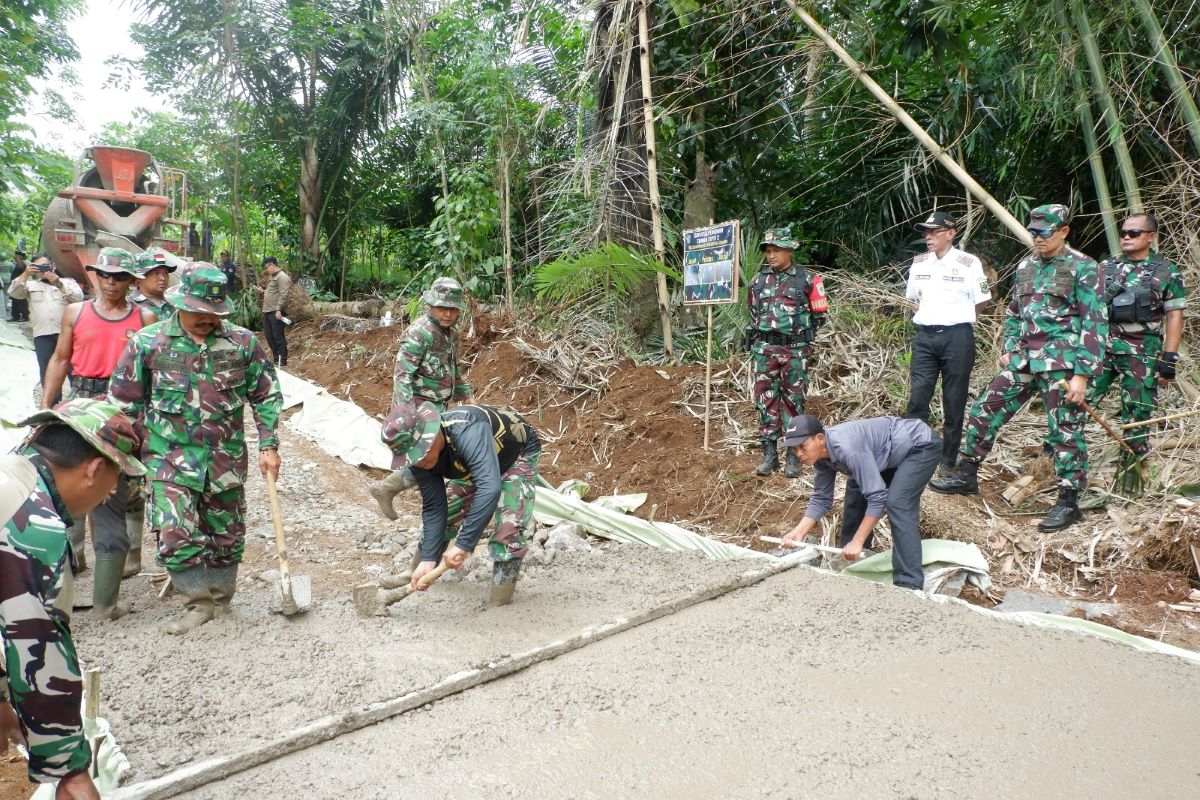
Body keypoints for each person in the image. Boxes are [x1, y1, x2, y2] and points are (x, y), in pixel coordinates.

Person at [109, 263, 282, 634]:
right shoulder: (148, 343)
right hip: (168, 458)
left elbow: (266, 394)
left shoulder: (241, 343)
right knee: (173, 531)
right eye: (199, 312)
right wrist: (128, 458)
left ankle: (221, 600)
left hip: (226, 457)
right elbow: (124, 404)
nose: (207, 319)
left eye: (214, 313)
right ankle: (197, 603)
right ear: (180, 303)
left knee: (227, 535)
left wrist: (269, 442)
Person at [931, 204, 1108, 531]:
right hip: (1026, 358)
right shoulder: (1026, 265)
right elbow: (1014, 313)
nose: (1038, 238)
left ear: (1064, 231)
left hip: (1063, 364)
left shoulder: (1084, 267)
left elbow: (1095, 323)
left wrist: (1082, 375)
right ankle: (967, 475)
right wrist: (1009, 348)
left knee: (1064, 430)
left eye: (1045, 232)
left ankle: (1069, 502)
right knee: (986, 408)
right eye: (1033, 232)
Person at [0, 398, 144, 798]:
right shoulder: (35, 530)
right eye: (115, 480)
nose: (112, 491)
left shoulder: (10, 477)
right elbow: (37, 652)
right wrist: (69, 771)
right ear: (94, 469)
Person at [41, 248, 155, 618]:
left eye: (119, 276)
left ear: (131, 280)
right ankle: (71, 565)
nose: (110, 283)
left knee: (111, 490)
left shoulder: (145, 317)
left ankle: (106, 601)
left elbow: (154, 373)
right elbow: (60, 359)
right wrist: (47, 407)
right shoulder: (75, 312)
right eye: (104, 275)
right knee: (65, 480)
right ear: (94, 276)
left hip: (121, 408)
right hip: (78, 402)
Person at [383, 401, 540, 607]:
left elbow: (489, 488)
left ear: (433, 435)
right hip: (472, 465)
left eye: (421, 452)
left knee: (508, 529)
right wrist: (428, 558)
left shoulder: (468, 431)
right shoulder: (419, 460)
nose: (419, 461)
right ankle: (417, 570)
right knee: (449, 512)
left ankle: (500, 603)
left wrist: (463, 544)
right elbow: (434, 506)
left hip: (515, 456)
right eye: (413, 458)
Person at [1084, 212, 1187, 490]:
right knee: (1078, 402)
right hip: (1102, 348)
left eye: (1134, 233)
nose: (1127, 238)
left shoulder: (1166, 270)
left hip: (1142, 350)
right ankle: (1063, 469)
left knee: (1137, 415)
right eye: (1124, 233)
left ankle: (1129, 483)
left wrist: (1169, 357)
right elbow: (1088, 307)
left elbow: (1174, 315)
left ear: (1151, 237)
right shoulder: (1106, 266)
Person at [780, 415, 942, 590]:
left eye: (802, 446)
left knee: (898, 503)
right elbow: (821, 498)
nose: (798, 454)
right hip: (883, 454)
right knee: (856, 494)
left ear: (819, 438)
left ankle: (909, 582)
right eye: (794, 449)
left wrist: (857, 540)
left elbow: (877, 498)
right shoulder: (820, 457)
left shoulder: (848, 448)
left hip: (918, 446)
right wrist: (799, 532)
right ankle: (854, 563)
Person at [369, 277, 473, 519]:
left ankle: (386, 489)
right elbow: (402, 375)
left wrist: (466, 396)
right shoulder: (419, 333)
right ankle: (427, 512)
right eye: (442, 308)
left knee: (431, 457)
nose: (447, 314)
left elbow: (453, 369)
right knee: (428, 459)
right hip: (418, 408)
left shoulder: (450, 335)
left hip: (439, 406)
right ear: (430, 306)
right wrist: (406, 413)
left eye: (452, 309)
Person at [903, 211, 992, 476]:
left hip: (957, 337)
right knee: (918, 397)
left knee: (954, 400)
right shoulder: (919, 263)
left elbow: (982, 301)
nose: (928, 237)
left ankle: (947, 460)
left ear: (951, 233)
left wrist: (957, 321)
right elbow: (912, 297)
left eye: (934, 231)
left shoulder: (968, 263)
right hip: (925, 337)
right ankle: (913, 452)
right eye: (926, 232)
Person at [746, 227, 827, 478]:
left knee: (794, 402)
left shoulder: (807, 279)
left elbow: (820, 315)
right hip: (765, 350)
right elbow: (752, 313)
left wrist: (798, 337)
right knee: (765, 401)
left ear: (789, 250)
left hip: (795, 350)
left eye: (776, 250)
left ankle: (793, 455)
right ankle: (770, 455)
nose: (771, 256)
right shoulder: (758, 281)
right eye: (768, 251)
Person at [6, 253, 85, 404]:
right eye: (38, 267)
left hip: (68, 334)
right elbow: (13, 293)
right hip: (43, 335)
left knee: (74, 369)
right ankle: (53, 407)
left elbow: (79, 299)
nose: (42, 270)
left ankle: (78, 404)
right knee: (48, 372)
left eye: (45, 266)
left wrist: (59, 285)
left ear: (53, 266)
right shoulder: (30, 285)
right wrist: (26, 273)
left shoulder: (67, 282)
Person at [253, 256, 291, 366]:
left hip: (276, 311)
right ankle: (275, 358)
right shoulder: (272, 277)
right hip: (268, 311)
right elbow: (272, 293)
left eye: (267, 267)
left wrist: (278, 310)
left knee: (278, 336)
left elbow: (284, 295)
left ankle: (282, 360)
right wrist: (262, 291)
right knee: (269, 336)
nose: (266, 269)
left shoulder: (282, 277)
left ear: (273, 265)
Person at [130, 250, 177, 319]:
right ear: (138, 278)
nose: (163, 278)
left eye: (165, 273)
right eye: (156, 273)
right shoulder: (130, 306)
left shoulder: (175, 303)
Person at [9, 249, 29, 321]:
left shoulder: (21, 264)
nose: (15, 256)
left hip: (20, 285)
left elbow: (21, 268)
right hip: (15, 285)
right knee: (14, 301)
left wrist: (18, 260)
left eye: (17, 255)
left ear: (19, 256)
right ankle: (15, 316)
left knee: (21, 301)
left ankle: (25, 316)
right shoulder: (18, 263)